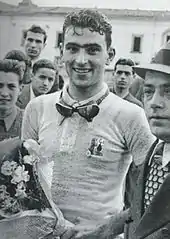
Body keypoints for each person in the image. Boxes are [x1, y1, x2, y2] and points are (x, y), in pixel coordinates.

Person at [22, 9, 155, 239]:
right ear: (62, 51)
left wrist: (108, 228)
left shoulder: (131, 115)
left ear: (109, 55)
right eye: (73, 48)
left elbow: (157, 189)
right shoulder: (36, 108)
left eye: (93, 50)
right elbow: (23, 179)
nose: (81, 60)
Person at [124, 41, 170, 239]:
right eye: (148, 92)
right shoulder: (154, 152)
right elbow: (137, 214)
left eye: (169, 91)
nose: (155, 103)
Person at [0, 59, 24, 141]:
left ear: (20, 89)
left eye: (11, 87)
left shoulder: (29, 122)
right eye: (0, 86)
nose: (4, 93)